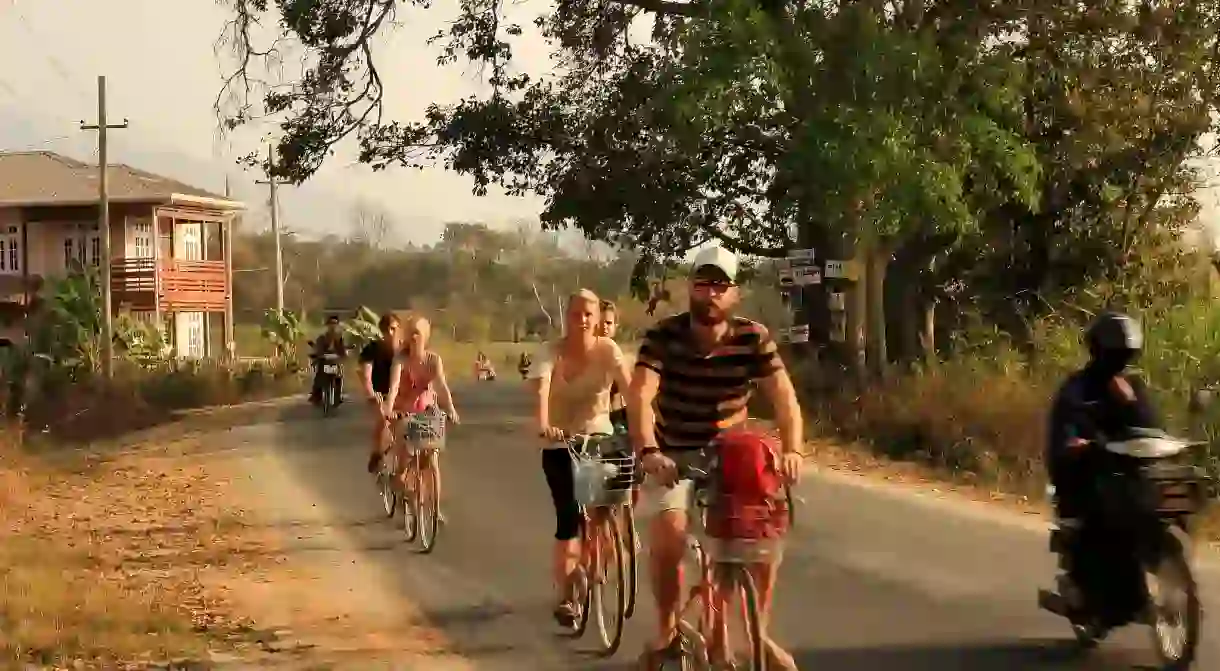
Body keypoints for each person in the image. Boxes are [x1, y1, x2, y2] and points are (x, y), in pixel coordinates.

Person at [628, 246, 803, 671]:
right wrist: (648, 449)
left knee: (763, 539)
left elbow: (784, 397)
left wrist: (793, 449)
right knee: (669, 535)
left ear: (734, 294)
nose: (710, 294)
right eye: (702, 284)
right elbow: (640, 395)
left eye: (719, 286)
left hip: (733, 457)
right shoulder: (663, 337)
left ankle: (756, 634)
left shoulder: (752, 337)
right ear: (690, 287)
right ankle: (668, 630)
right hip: (675, 456)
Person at [1045, 311, 1160, 627]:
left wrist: (1131, 403)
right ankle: (1109, 600)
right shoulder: (1076, 389)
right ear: (1099, 351)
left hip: (1126, 475)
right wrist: (1079, 445)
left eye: (1126, 355)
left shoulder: (1132, 386)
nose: (1120, 361)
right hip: (1082, 474)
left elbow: (1151, 430)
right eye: (1115, 354)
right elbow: (1063, 437)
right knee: (1106, 516)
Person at [529, 289, 632, 628]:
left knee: (601, 507)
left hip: (597, 437)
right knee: (568, 517)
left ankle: (600, 557)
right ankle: (569, 593)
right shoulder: (551, 352)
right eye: (577, 314)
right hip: (559, 443)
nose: (584, 320)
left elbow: (631, 391)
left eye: (589, 314)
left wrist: (645, 428)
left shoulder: (608, 350)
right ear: (567, 317)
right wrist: (544, 424)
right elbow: (541, 389)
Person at [383, 315, 461, 522]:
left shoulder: (433, 360)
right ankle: (399, 483)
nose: (414, 337)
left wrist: (451, 409)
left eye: (418, 333)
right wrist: (388, 410)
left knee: (431, 461)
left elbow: (442, 387)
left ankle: (434, 510)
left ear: (426, 336)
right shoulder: (400, 360)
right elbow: (394, 387)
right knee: (404, 458)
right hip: (404, 412)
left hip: (427, 411)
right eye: (411, 333)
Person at [360, 313, 403, 474]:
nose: (390, 333)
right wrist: (372, 394)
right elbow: (366, 376)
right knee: (382, 419)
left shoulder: (405, 351)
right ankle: (376, 453)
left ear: (399, 329)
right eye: (386, 330)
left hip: (403, 394)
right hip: (379, 394)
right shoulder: (371, 349)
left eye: (393, 329)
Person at [598, 299, 628, 430]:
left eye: (608, 323)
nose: (604, 327)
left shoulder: (618, 356)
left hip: (614, 418)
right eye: (600, 323)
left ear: (616, 326)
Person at [310, 315, 348, 405]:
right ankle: (316, 396)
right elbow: (318, 348)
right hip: (324, 362)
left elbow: (343, 350)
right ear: (327, 325)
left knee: (339, 377)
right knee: (318, 378)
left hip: (335, 363)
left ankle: (338, 396)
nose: (333, 326)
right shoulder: (322, 338)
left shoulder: (340, 338)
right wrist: (317, 354)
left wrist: (344, 355)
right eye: (331, 323)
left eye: (335, 323)